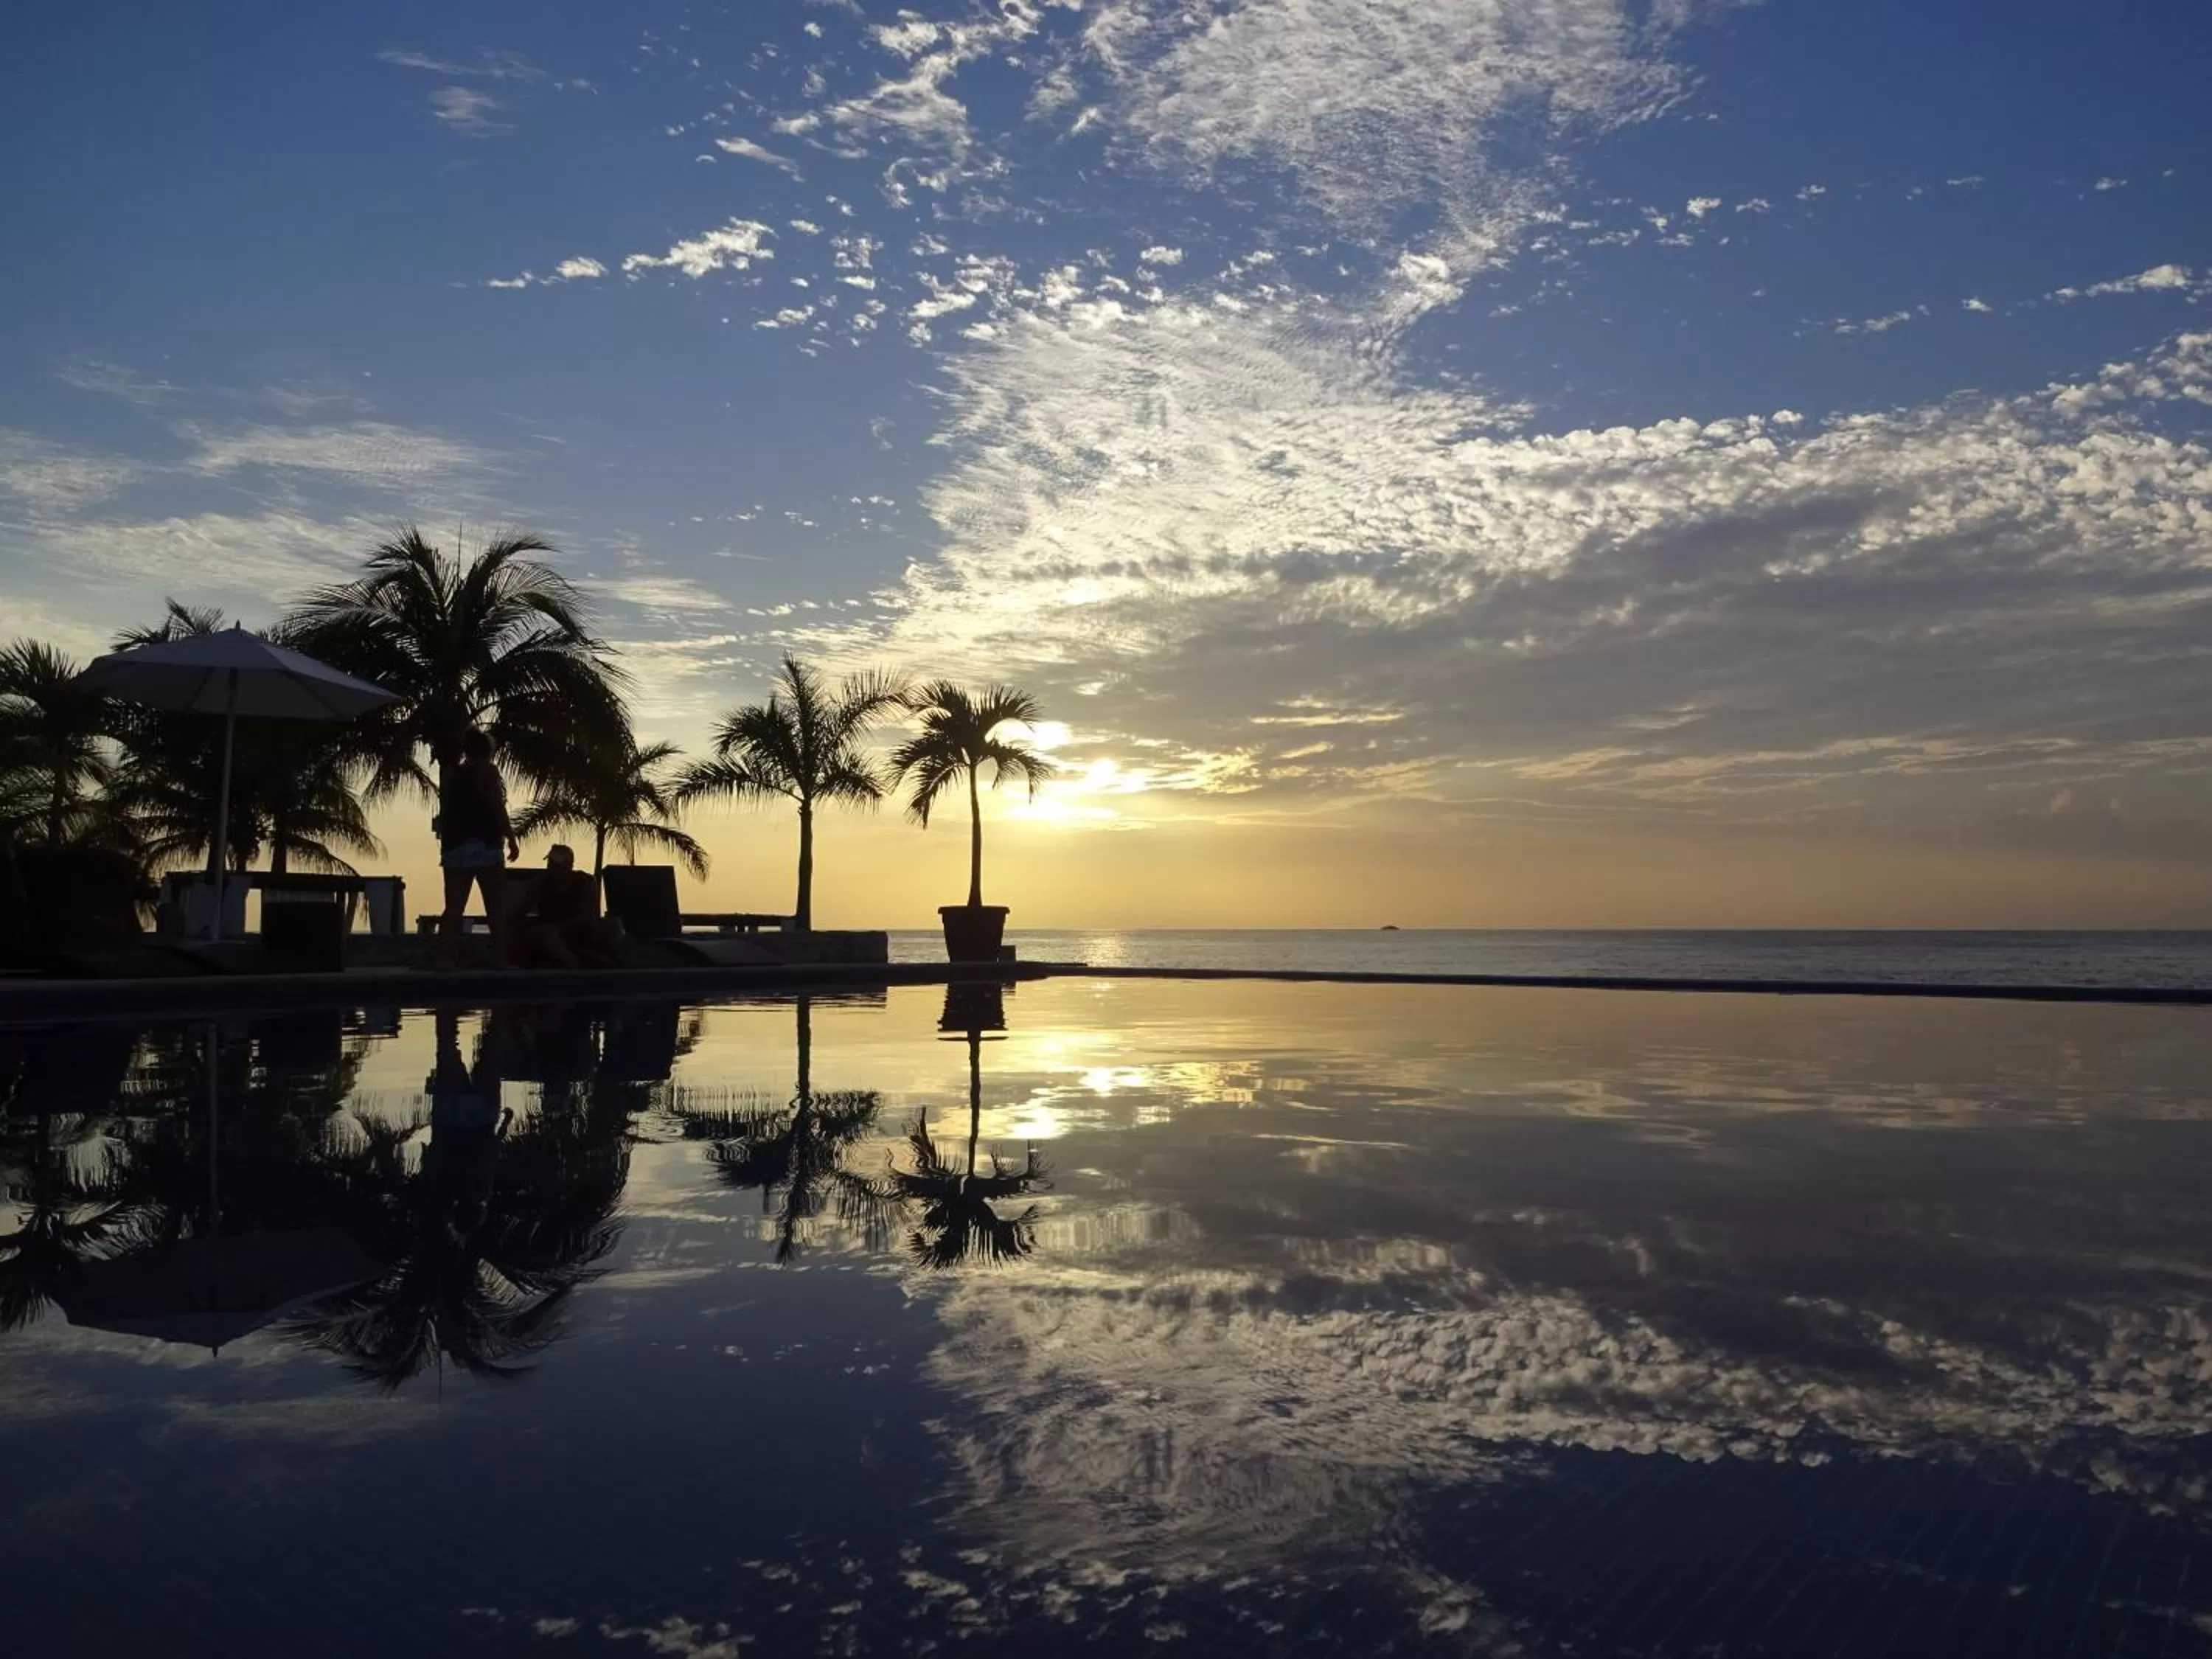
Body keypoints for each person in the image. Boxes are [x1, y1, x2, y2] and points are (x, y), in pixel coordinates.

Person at [436, 728, 518, 966]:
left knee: (453, 908)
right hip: (485, 845)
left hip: (456, 848)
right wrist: (511, 837)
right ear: (488, 751)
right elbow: (496, 806)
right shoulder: (488, 772)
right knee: (495, 906)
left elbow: (448, 810)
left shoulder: (451, 773)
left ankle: (443, 958)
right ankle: (501, 959)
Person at [517, 844, 625, 969]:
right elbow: (523, 910)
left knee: (614, 923)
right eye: (551, 864)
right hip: (550, 933)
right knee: (547, 934)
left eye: (558, 866)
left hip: (579, 930)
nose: (554, 869)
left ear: (570, 865)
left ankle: (617, 962)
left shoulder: (585, 882)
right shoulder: (541, 882)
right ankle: (572, 964)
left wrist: (560, 927)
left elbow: (586, 917)